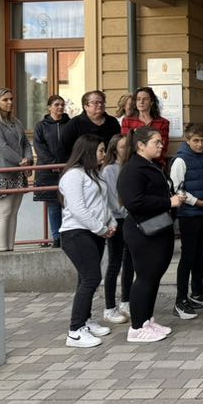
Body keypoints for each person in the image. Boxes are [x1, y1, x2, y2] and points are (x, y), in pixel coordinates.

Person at [117, 126, 185, 343]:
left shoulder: (151, 165)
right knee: (145, 277)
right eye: (156, 142)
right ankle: (136, 328)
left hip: (158, 227)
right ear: (140, 145)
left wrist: (173, 199)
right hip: (142, 230)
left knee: (153, 276)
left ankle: (146, 320)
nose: (161, 145)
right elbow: (134, 201)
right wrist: (168, 202)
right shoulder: (133, 169)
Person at [58, 135, 117, 348]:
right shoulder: (73, 175)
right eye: (100, 150)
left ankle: (85, 320)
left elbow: (102, 204)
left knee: (85, 279)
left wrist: (110, 222)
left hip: (94, 233)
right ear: (88, 152)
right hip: (76, 233)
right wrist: (101, 228)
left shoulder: (94, 173)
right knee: (92, 278)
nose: (104, 154)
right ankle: (75, 331)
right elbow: (78, 208)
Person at [169, 123, 203, 320]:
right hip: (189, 214)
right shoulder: (180, 160)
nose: (200, 144)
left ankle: (197, 292)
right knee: (188, 257)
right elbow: (177, 188)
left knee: (200, 255)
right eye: (196, 140)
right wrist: (197, 202)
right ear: (187, 140)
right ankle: (180, 299)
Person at [0, 87, 33, 252]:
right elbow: (0, 147)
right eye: (5, 100)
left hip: (18, 172)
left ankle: (10, 248)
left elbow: (25, 143)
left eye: (11, 99)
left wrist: (28, 160)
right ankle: (2, 249)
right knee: (4, 212)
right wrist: (21, 161)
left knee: (13, 212)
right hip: (2, 172)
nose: (10, 102)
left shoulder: (16, 121)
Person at [100, 134, 131, 325]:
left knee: (130, 262)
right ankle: (109, 307)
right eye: (122, 147)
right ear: (114, 149)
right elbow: (112, 198)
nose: (126, 150)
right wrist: (126, 212)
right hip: (117, 220)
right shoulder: (109, 170)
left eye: (128, 146)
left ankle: (126, 301)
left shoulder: (130, 166)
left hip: (130, 219)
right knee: (115, 262)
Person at [33, 95, 70, 248]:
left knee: (69, 205)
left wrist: (68, 164)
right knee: (54, 206)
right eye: (56, 104)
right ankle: (57, 238)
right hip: (48, 172)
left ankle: (69, 236)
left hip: (68, 169)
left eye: (62, 104)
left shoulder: (70, 124)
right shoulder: (41, 126)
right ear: (49, 107)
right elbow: (39, 147)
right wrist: (53, 163)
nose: (60, 107)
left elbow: (75, 145)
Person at [60, 90, 122, 160]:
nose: (100, 105)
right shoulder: (74, 124)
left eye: (102, 102)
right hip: (83, 164)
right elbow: (65, 148)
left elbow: (118, 143)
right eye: (95, 103)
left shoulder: (112, 122)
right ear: (85, 106)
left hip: (109, 162)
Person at [121, 87, 171, 167]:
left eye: (145, 99)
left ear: (151, 102)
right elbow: (126, 145)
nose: (141, 102)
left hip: (155, 163)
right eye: (138, 99)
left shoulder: (163, 122)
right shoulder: (127, 121)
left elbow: (163, 147)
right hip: (133, 162)